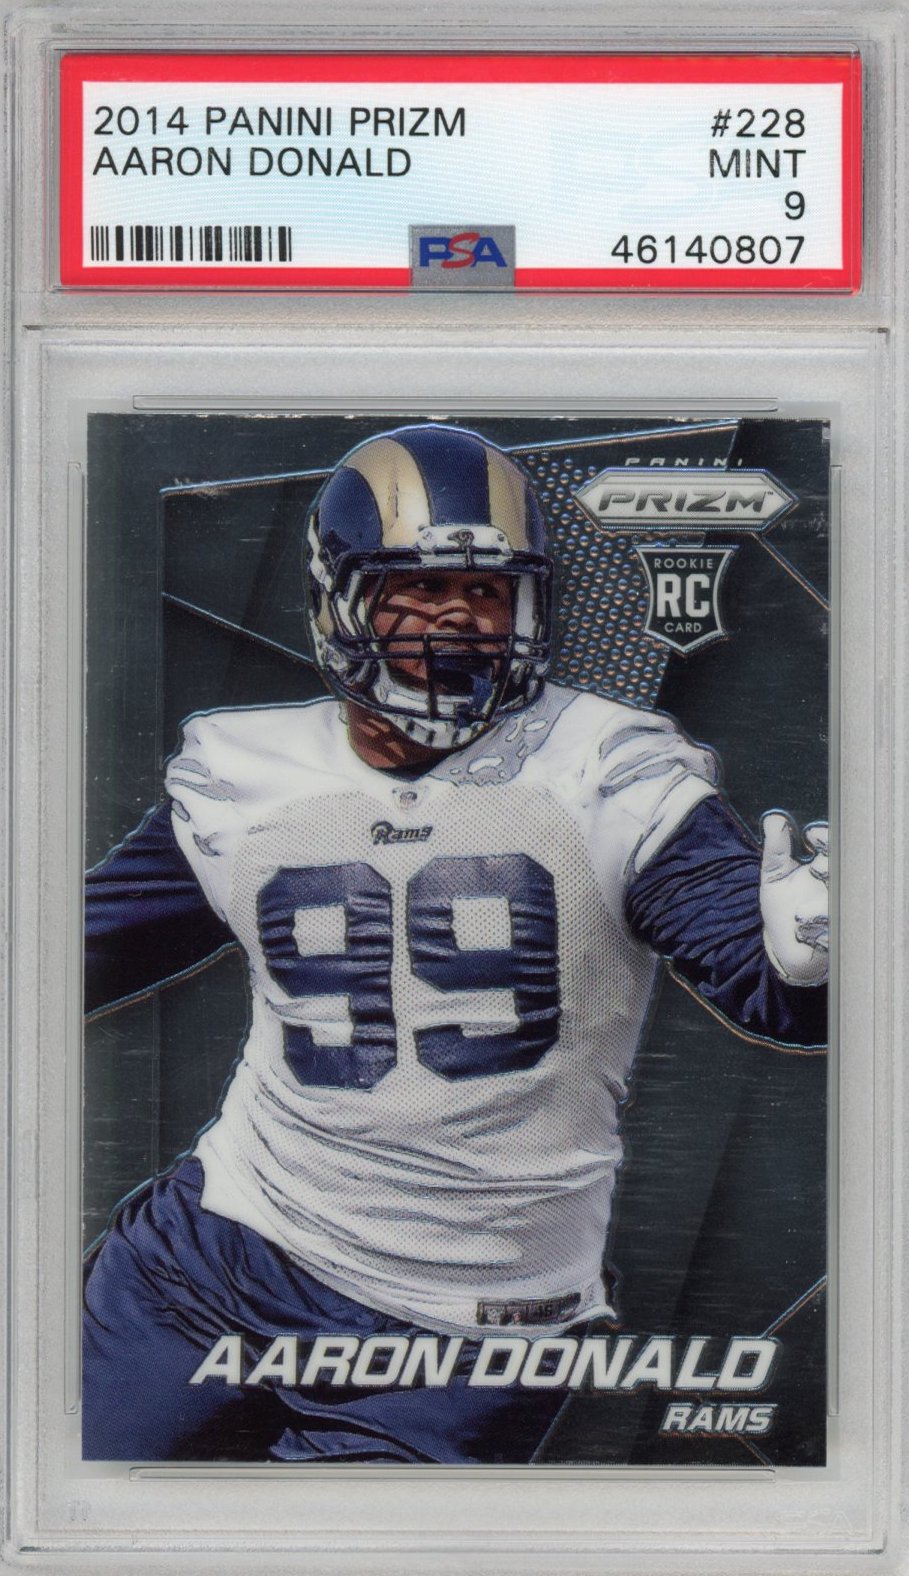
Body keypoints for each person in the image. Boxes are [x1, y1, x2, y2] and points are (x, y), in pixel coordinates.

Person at [82, 423, 828, 1463]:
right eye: (417, 587)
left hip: (470, 1334)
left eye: (485, 591)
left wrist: (814, 962)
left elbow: (763, 982)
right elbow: (69, 959)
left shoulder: (607, 771)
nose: (456, 618)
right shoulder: (244, 775)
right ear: (338, 601)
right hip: (216, 1257)